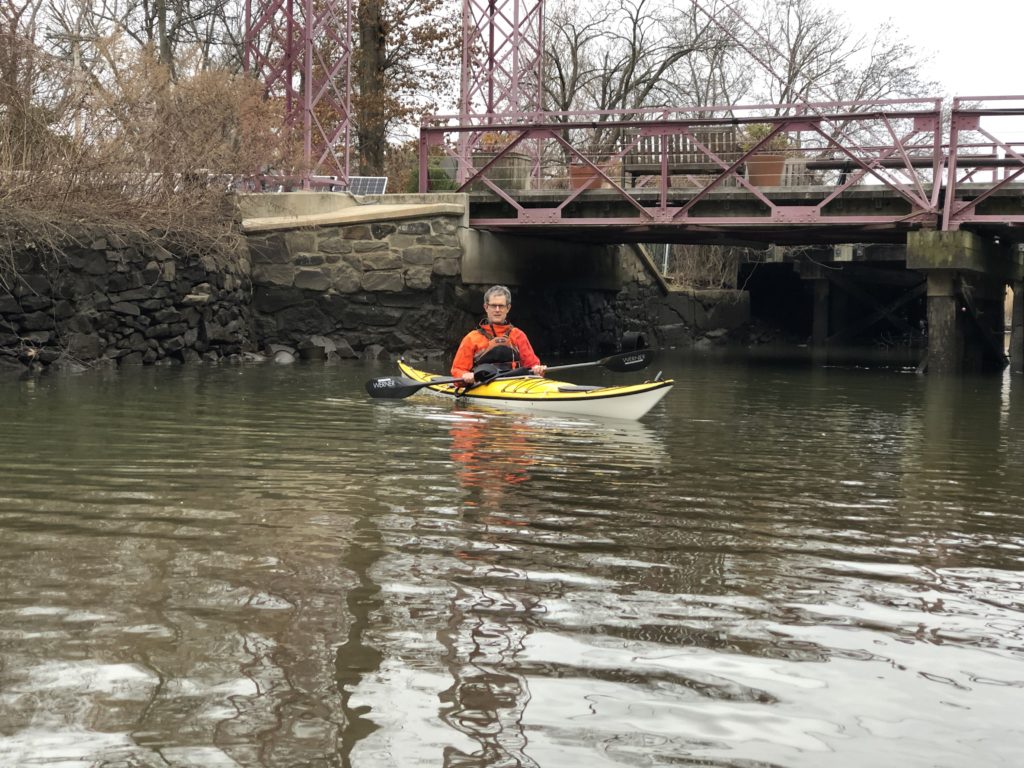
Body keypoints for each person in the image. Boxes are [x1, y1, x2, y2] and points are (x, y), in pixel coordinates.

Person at [451, 285, 546, 385]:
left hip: (514, 384)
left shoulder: (518, 335)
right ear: (486, 307)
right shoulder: (471, 338)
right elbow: (457, 371)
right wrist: (465, 375)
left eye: (501, 306)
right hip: (482, 385)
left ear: (508, 308)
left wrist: (538, 370)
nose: (497, 310)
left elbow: (533, 366)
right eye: (493, 306)